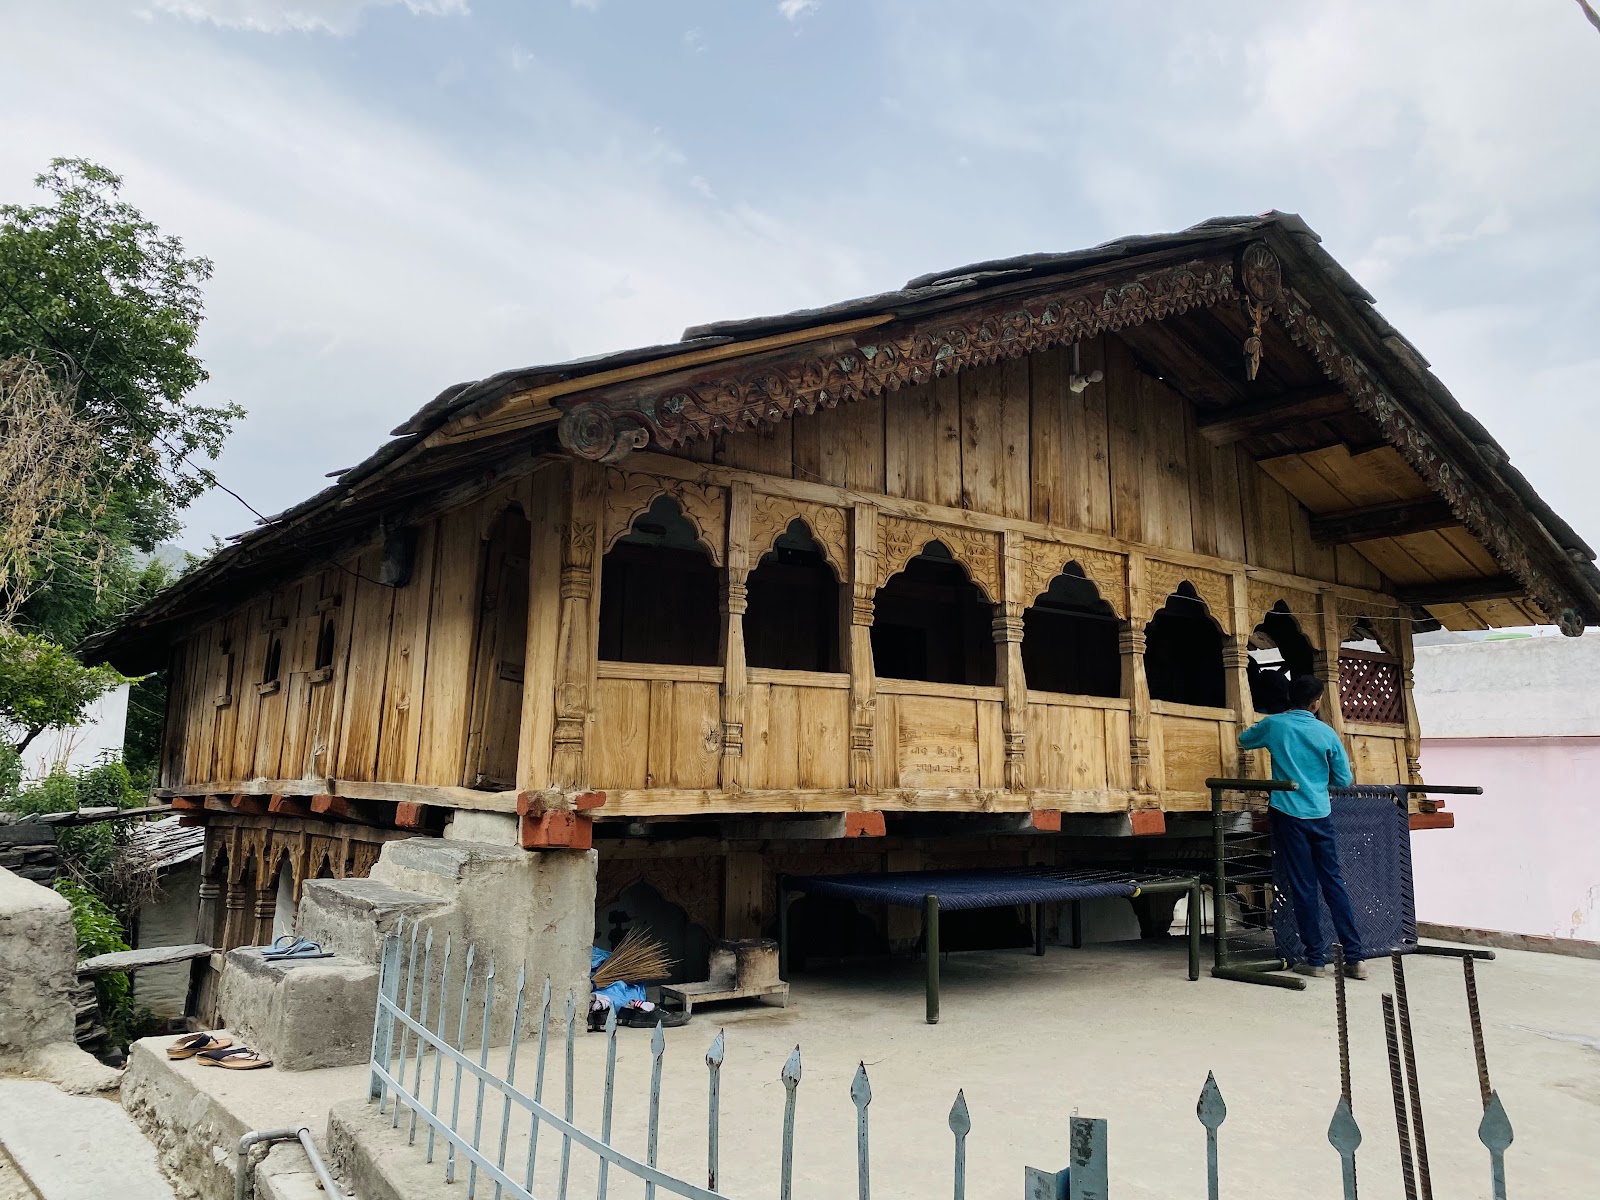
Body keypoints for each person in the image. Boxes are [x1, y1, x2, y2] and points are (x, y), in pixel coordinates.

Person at [1237, 674, 1367, 979]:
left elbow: (1244, 741)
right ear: (1316, 702)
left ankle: (1315, 960)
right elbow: (1343, 780)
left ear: (1288, 698)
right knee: (1333, 883)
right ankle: (1355, 958)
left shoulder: (1275, 725)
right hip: (1320, 814)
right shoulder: (1327, 733)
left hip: (1288, 814)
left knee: (1304, 886)